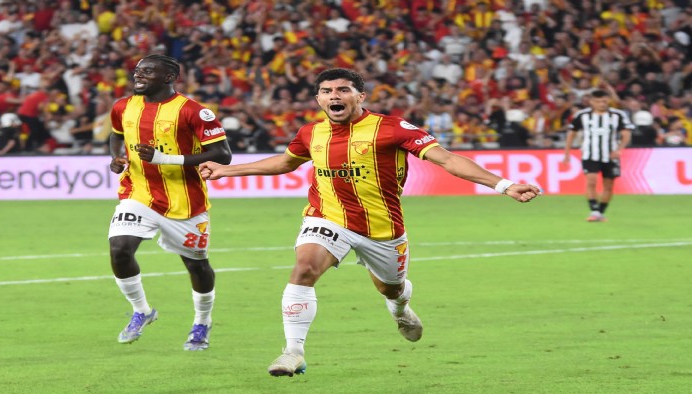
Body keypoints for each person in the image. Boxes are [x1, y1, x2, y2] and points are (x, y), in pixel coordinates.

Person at [198, 68, 541, 377]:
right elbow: (285, 163)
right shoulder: (310, 133)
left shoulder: (392, 128)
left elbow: (447, 160)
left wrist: (504, 185)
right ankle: (293, 352)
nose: (334, 96)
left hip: (382, 229)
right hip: (327, 217)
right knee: (304, 268)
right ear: (318, 99)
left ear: (360, 96)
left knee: (390, 287)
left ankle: (399, 306)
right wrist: (228, 170)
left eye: (343, 90)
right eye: (327, 91)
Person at [107, 54, 232, 351]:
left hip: (185, 202)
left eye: (147, 71)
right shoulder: (123, 106)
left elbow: (223, 155)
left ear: (169, 77)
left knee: (196, 265)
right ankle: (141, 311)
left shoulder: (193, 111)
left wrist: (165, 159)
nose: (138, 75)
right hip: (138, 193)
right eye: (138, 70)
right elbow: (116, 135)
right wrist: (117, 157)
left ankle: (202, 322)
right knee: (120, 249)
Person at [563, 89, 633, 222]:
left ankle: (600, 212)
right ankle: (594, 210)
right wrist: (567, 153)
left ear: (608, 101)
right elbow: (571, 133)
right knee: (591, 180)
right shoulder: (582, 115)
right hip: (590, 154)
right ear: (591, 102)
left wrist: (620, 149)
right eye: (598, 101)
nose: (602, 104)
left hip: (611, 155)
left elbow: (626, 133)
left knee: (609, 185)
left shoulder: (618, 115)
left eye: (604, 101)